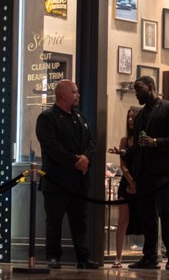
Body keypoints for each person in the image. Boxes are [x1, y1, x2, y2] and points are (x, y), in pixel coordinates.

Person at [35, 79, 100, 270]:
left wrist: (86, 158)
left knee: (80, 221)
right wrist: (76, 161)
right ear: (63, 94)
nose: (77, 95)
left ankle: (83, 258)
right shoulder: (47, 118)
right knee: (54, 221)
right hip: (57, 181)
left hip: (79, 180)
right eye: (74, 92)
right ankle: (53, 256)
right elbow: (51, 147)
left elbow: (92, 143)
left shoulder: (80, 117)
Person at [127, 75, 169, 270]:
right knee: (147, 215)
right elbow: (137, 147)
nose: (136, 94)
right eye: (135, 91)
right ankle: (149, 256)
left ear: (151, 87)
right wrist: (131, 168)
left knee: (165, 212)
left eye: (139, 90)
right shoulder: (140, 115)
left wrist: (156, 142)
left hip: (164, 171)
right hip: (144, 172)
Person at [107, 108, 143, 268]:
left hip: (142, 182)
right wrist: (130, 181)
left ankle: (147, 255)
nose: (130, 120)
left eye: (133, 117)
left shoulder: (143, 140)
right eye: (128, 117)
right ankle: (118, 258)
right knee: (122, 220)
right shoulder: (124, 140)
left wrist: (137, 183)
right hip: (126, 183)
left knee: (146, 219)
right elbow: (122, 164)